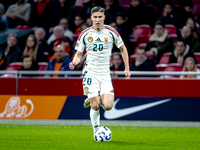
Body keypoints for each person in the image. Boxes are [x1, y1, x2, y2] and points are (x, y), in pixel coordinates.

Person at [69, 6, 130, 134]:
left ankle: (92, 97)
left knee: (108, 106)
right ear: (91, 18)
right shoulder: (85, 34)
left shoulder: (111, 32)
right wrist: (74, 62)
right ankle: (96, 131)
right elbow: (79, 54)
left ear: (104, 17)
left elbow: (123, 49)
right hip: (90, 72)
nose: (97, 19)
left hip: (105, 74)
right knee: (96, 106)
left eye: (99, 17)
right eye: (95, 17)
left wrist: (127, 68)